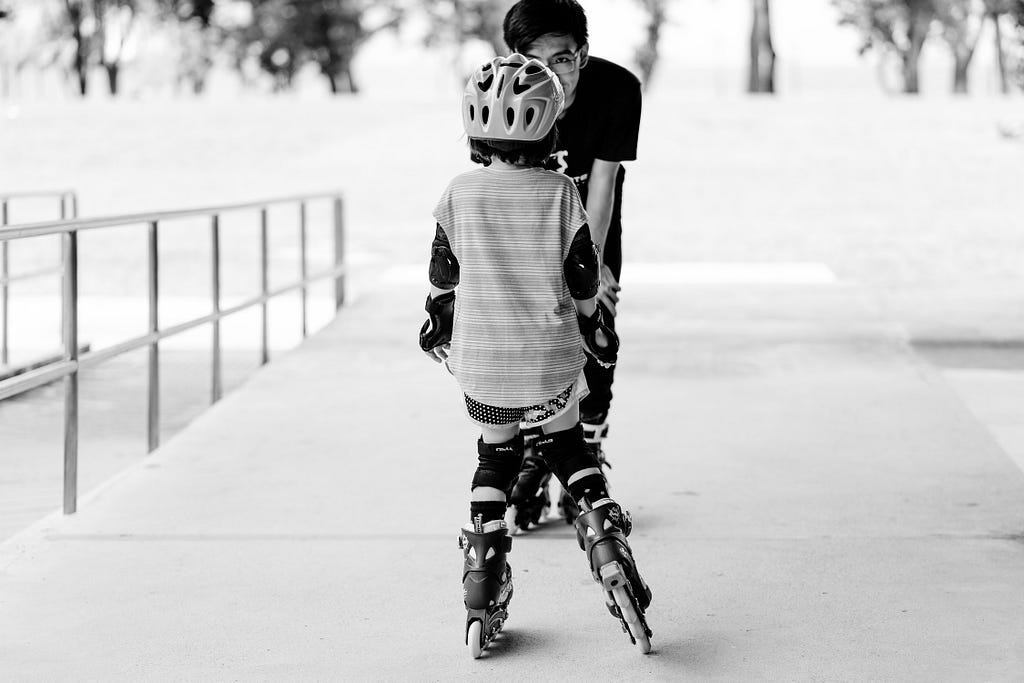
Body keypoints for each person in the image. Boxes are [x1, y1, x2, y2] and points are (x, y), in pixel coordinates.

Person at [418, 54, 652, 657]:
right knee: (571, 450)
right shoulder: (561, 194)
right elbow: (582, 280)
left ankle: (482, 584)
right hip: (550, 361)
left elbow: (444, 277)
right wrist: (595, 329)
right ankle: (606, 545)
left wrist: (438, 330)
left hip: (484, 366)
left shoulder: (459, 194)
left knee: (494, 462)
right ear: (551, 129)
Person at [501, 0, 643, 527]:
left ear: (581, 54)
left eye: (562, 59)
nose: (551, 75)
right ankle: (537, 456)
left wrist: (595, 269)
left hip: (594, 232)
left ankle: (588, 453)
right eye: (534, 61)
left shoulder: (617, 89)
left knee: (596, 344)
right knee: (531, 352)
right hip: (527, 238)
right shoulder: (507, 92)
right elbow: (499, 184)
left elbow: (602, 186)